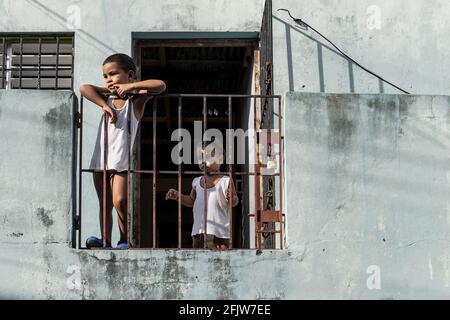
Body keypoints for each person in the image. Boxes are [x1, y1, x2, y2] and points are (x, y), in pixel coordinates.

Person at [80, 53, 166, 249]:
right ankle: (105, 240)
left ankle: (124, 239)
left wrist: (130, 87)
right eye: (105, 76)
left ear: (129, 74)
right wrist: (104, 104)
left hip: (120, 161)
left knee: (120, 201)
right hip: (100, 159)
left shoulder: (135, 101)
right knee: (105, 203)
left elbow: (160, 85)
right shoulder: (107, 97)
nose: (109, 79)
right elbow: (84, 88)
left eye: (113, 74)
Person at [165, 143, 239, 250]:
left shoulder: (226, 181)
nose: (203, 160)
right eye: (200, 157)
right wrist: (177, 196)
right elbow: (191, 201)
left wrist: (232, 198)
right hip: (198, 233)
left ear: (220, 159)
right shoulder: (196, 182)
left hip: (220, 234)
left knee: (221, 263)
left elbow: (235, 201)